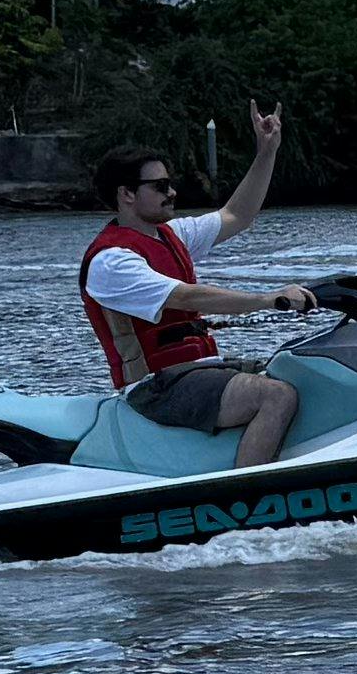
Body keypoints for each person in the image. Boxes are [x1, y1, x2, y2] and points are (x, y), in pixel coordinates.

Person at [76, 114, 320, 464]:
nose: (172, 191)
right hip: (158, 387)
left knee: (301, 368)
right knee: (275, 396)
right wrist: (266, 299)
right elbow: (185, 296)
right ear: (126, 194)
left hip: (200, 370)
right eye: (160, 187)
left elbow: (238, 214)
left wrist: (266, 152)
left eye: (169, 183)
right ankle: (247, 498)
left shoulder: (172, 236)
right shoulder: (110, 261)